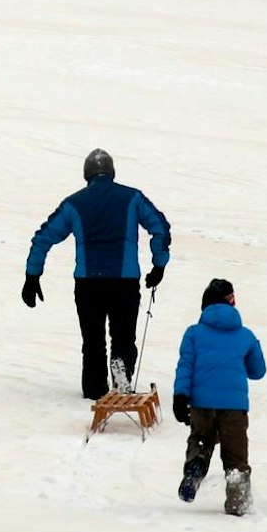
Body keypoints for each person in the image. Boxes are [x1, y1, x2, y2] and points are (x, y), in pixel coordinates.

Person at [23, 148, 172, 399]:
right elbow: (160, 228)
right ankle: (121, 374)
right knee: (123, 336)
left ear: (86, 175)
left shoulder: (74, 203)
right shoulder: (133, 198)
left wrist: (32, 276)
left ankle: (94, 392)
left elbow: (43, 238)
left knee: (93, 341)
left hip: (88, 283)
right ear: (112, 173)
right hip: (124, 282)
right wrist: (159, 265)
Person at [171, 278, 267, 516]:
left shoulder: (193, 333)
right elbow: (258, 371)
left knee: (201, 440)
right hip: (234, 408)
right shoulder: (245, 335)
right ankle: (238, 501)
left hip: (202, 404)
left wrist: (180, 396)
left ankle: (196, 466)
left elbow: (185, 366)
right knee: (235, 455)